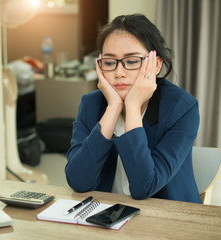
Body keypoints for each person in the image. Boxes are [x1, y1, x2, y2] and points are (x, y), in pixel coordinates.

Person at [65, 14, 201, 203]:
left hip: (168, 219)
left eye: (131, 61)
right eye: (110, 62)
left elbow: (144, 186)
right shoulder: (91, 104)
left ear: (155, 65)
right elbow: (78, 181)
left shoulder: (182, 108)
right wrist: (113, 108)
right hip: (107, 215)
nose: (119, 73)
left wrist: (133, 106)